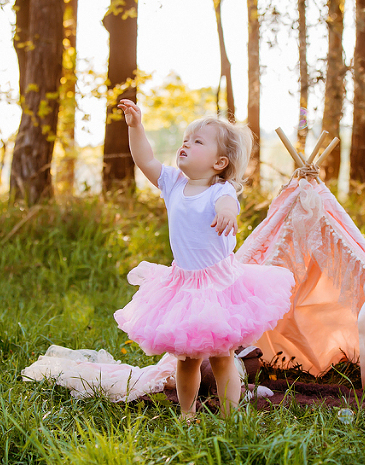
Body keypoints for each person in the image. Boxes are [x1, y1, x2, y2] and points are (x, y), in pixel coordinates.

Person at [113, 99, 295, 419]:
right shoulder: (173, 183)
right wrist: (136, 127)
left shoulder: (220, 190)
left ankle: (229, 416)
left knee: (223, 357)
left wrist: (227, 213)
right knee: (187, 360)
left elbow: (228, 203)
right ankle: (188, 413)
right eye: (186, 139)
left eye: (197, 142)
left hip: (219, 286)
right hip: (183, 285)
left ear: (219, 162)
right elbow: (145, 159)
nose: (186, 144)